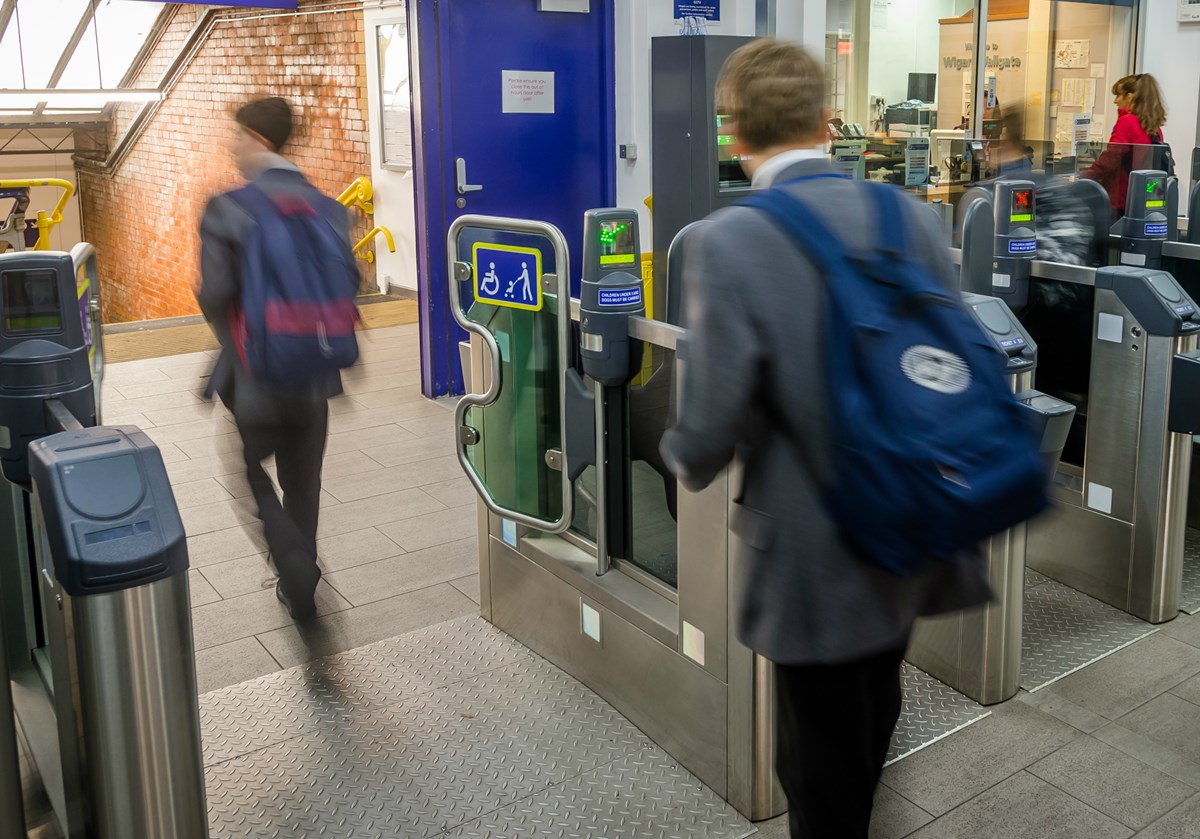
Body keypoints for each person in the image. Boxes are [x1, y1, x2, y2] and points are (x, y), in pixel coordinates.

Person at [659, 39, 990, 838]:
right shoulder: (907, 214)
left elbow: (709, 424)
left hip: (815, 550)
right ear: (824, 120)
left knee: (818, 767)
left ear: (734, 131)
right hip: (913, 521)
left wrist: (675, 459)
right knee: (872, 704)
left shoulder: (727, 242)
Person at [197, 97, 356, 624]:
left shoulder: (228, 207)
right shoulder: (329, 208)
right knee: (303, 479)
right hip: (316, 376)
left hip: (255, 378)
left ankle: (292, 562)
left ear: (258, 141)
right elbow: (348, 284)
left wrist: (235, 342)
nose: (232, 146)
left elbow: (215, 294)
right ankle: (302, 574)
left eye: (237, 136)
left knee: (246, 468)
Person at [1081, 73, 1168, 220]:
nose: (1115, 101)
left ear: (1130, 97)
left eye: (1118, 95)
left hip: (1119, 200)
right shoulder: (1155, 128)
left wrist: (1085, 177)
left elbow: (1111, 158)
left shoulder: (1127, 122)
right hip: (1141, 199)